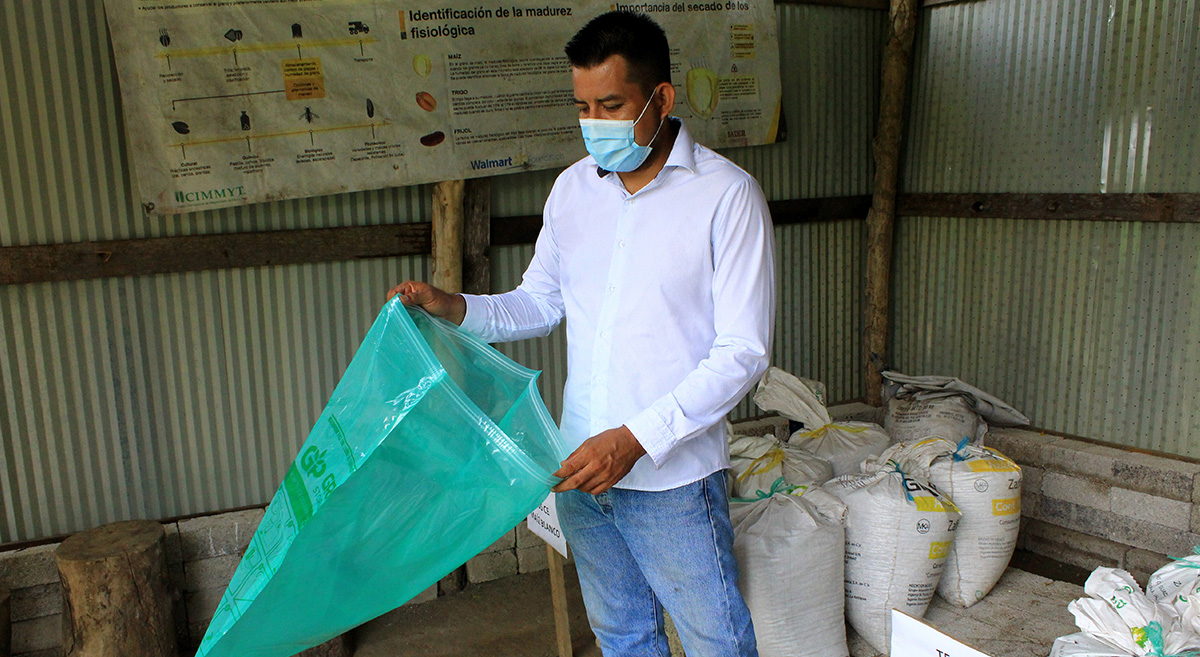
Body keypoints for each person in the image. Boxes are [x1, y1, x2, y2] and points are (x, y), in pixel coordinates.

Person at [388, 11, 774, 657]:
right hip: (578, 468)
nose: (595, 122)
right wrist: (453, 305)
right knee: (622, 634)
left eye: (612, 105)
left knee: (717, 641)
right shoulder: (572, 190)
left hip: (670, 477)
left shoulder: (726, 196)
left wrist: (634, 440)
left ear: (661, 98)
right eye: (584, 107)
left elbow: (744, 351)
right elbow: (539, 302)